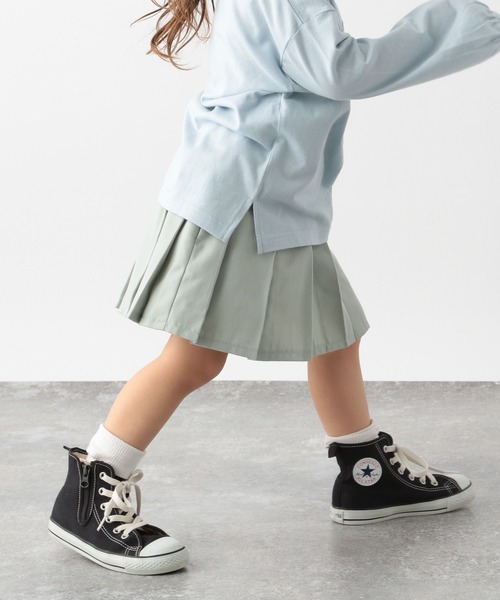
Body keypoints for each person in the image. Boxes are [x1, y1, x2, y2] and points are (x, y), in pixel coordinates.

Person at [48, 0, 500, 576]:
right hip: (245, 197)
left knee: (334, 333)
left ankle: (367, 475)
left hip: (274, 195)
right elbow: (338, 70)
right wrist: (471, 22)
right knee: (194, 358)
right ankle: (89, 493)